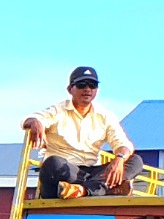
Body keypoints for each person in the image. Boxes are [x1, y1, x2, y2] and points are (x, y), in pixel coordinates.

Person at [24, 67, 135, 199]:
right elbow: (31, 120)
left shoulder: (105, 116)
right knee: (52, 163)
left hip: (92, 172)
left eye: (92, 85)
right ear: (70, 89)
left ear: (96, 90)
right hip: (66, 172)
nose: (87, 89)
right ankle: (101, 189)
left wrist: (119, 159)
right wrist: (35, 122)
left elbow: (123, 144)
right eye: (82, 85)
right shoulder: (58, 110)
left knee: (135, 161)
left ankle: (82, 190)